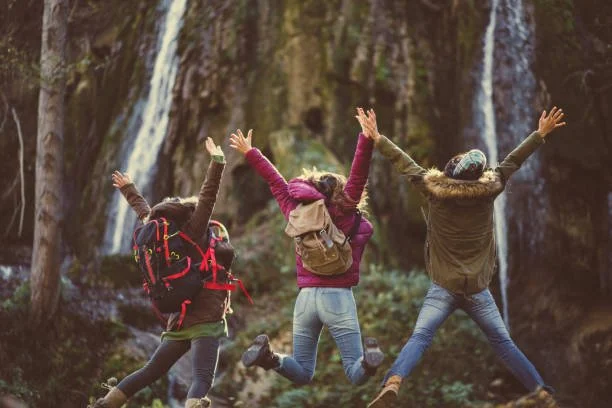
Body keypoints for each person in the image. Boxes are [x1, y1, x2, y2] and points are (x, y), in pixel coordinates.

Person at [366, 107, 566, 407]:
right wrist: (539, 134)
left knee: (420, 337)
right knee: (503, 343)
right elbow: (513, 161)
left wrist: (378, 138)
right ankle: (541, 390)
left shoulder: (432, 190)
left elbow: (403, 163)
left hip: (443, 287)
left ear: (448, 170)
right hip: (477, 289)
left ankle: (393, 381)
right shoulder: (489, 190)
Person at [228, 108, 385, 386]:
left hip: (306, 299)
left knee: (302, 371)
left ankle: (269, 358)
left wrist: (251, 152)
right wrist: (366, 138)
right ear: (340, 191)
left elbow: (276, 182)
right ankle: (368, 363)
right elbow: (358, 175)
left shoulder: (295, 210)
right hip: (338, 297)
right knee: (353, 370)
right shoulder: (344, 210)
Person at [91, 137, 231, 408]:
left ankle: (105, 404)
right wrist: (217, 162)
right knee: (202, 378)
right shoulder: (195, 228)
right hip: (207, 319)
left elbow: (145, 213)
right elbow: (209, 194)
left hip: (178, 319)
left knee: (150, 371)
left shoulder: (165, 232)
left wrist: (129, 189)